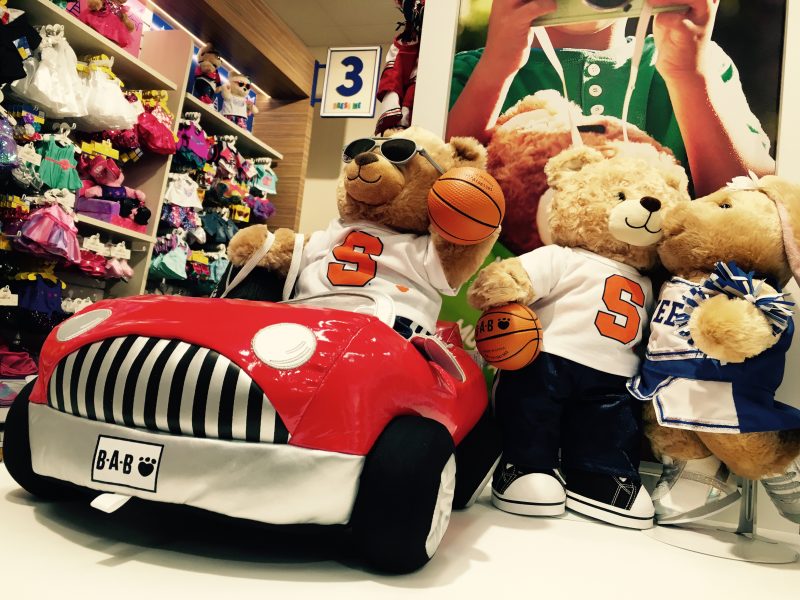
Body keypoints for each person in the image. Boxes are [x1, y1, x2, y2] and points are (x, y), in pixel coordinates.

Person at [447, 0, 775, 197]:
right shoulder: (468, 73)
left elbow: (759, 207)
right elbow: (428, 192)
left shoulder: (698, 63)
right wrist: (496, 68)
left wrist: (688, 75)